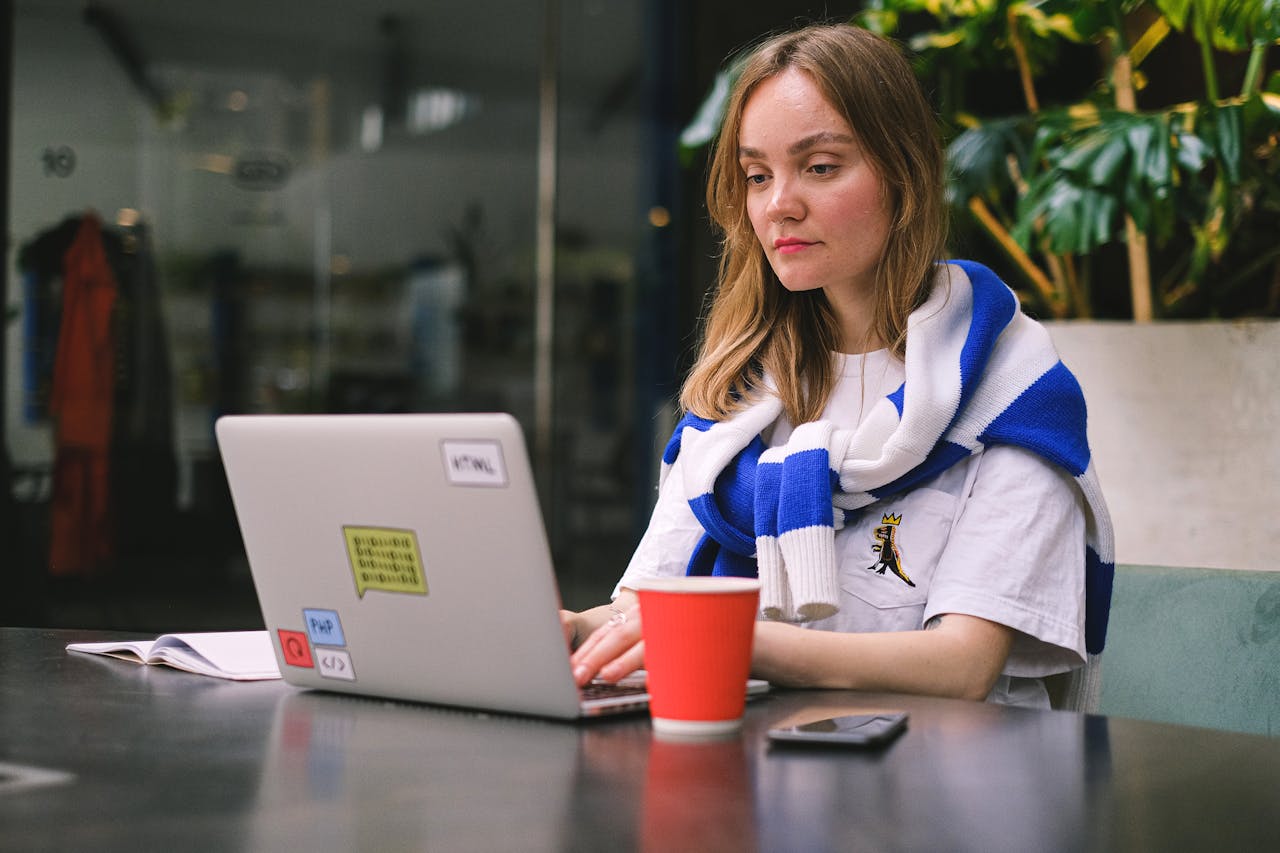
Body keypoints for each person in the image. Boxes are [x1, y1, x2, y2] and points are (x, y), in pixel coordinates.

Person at [562, 23, 1114, 707]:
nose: (778, 205)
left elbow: (964, 663)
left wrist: (735, 639)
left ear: (904, 176)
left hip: (949, 788)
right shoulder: (737, 400)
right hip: (751, 778)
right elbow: (643, 611)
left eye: (820, 167)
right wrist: (572, 629)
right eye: (757, 175)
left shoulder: (1010, 391)